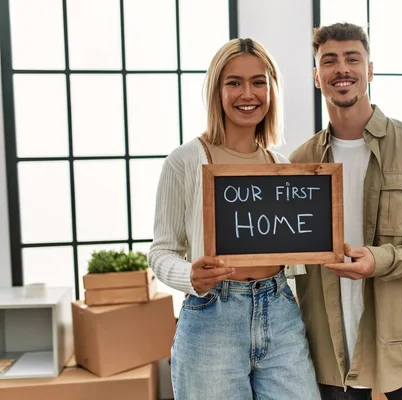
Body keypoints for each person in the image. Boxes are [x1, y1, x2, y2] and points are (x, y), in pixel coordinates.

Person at [290, 23, 402, 400]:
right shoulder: (300, 162)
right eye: (329, 61)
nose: (342, 69)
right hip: (332, 350)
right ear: (316, 76)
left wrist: (381, 259)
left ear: (369, 70)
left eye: (352, 58)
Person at [148, 38, 320, 400]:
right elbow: (160, 253)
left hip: (280, 311)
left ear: (272, 89)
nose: (248, 93)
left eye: (259, 81)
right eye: (234, 82)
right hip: (213, 316)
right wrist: (190, 275)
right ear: (217, 90)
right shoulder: (185, 161)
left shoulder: (283, 168)